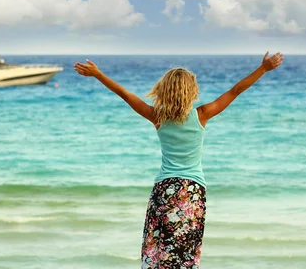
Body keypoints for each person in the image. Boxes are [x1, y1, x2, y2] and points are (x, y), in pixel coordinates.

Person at [74, 52, 284, 268]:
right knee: (185, 252)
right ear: (192, 91)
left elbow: (126, 95)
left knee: (157, 250)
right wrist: (263, 69)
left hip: (164, 189)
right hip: (192, 191)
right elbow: (235, 90)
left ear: (163, 91)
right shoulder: (202, 114)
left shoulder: (157, 117)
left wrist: (98, 74)